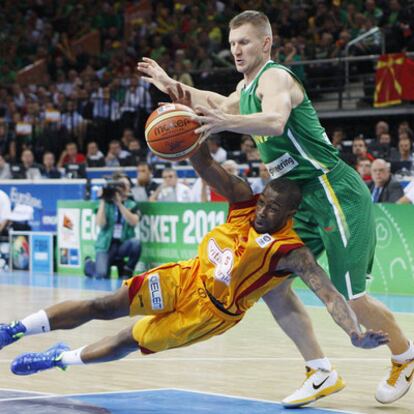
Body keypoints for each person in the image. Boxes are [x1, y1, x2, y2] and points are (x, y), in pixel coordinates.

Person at [137, 10, 414, 406]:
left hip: (332, 189)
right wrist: (172, 85)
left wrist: (219, 123)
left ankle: (405, 357)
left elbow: (275, 121)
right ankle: (320, 371)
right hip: (296, 196)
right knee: (274, 282)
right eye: (232, 44)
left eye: (244, 42)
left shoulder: (276, 78)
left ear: (265, 43)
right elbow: (219, 102)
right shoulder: (246, 86)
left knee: (353, 296)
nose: (236, 49)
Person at [0, 142, 388, 384]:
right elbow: (205, 165)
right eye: (264, 201)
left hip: (209, 315)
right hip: (184, 278)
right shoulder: (244, 203)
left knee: (126, 341)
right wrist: (189, 127)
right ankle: (15, 329)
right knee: (104, 304)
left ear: (291, 211)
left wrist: (354, 333)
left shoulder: (290, 251)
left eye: (273, 208)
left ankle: (60, 358)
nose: (263, 211)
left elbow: (329, 293)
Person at [84, 174, 141, 279]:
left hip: (123, 244)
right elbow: (100, 223)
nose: (124, 188)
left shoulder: (131, 204)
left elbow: (134, 221)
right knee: (101, 274)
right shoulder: (107, 204)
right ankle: (88, 264)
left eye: (126, 185)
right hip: (106, 245)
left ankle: (127, 270)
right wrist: (103, 200)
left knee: (136, 244)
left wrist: (119, 204)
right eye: (121, 185)